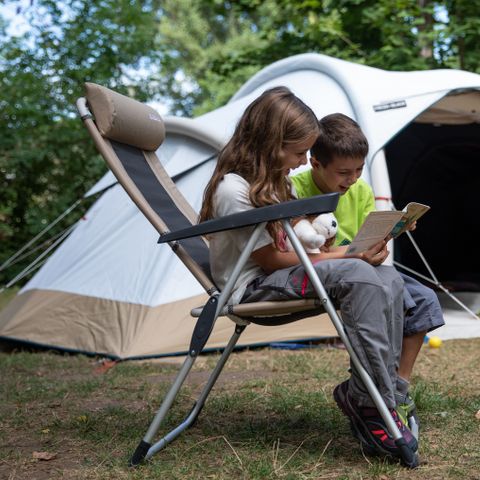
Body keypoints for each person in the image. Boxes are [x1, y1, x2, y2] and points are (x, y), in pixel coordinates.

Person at [199, 87, 417, 460]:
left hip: (282, 275)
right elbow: (272, 261)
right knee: (359, 275)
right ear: (270, 142)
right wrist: (350, 260)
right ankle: (372, 406)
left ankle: (374, 396)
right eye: (298, 152)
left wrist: (356, 251)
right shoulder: (234, 189)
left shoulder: (273, 183)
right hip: (253, 286)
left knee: (389, 276)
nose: (302, 162)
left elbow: (302, 250)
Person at [290, 112, 445, 430]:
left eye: (359, 170)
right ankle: (371, 394)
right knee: (381, 292)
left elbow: (367, 238)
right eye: (343, 172)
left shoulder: (359, 191)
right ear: (315, 163)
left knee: (425, 300)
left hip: (362, 266)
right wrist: (358, 255)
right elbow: (303, 250)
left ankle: (398, 388)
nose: (352, 179)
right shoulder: (295, 189)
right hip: (331, 273)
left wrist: (390, 232)